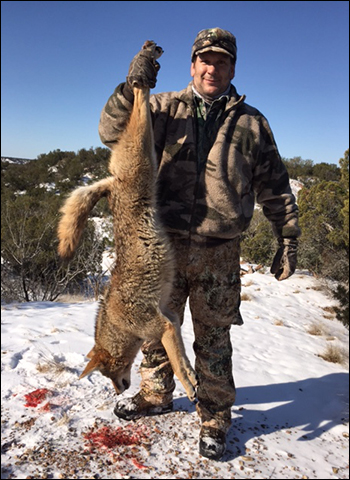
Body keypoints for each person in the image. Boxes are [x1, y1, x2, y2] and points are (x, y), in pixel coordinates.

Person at [98, 28, 301, 461]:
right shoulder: (161, 107)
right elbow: (110, 130)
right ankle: (155, 394)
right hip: (162, 248)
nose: (212, 68)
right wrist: (128, 88)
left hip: (219, 250)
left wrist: (287, 236)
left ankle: (213, 416)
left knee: (214, 338)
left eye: (222, 61)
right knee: (153, 331)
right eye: (205, 60)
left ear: (232, 68)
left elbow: (275, 185)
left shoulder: (252, 123)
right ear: (192, 65)